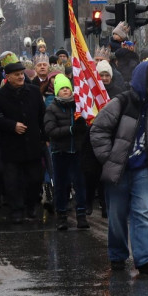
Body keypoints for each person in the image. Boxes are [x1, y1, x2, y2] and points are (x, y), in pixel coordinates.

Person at [90, 61, 148, 275]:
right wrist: (109, 158)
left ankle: (146, 259)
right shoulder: (121, 102)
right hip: (119, 171)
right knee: (116, 215)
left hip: (143, 170)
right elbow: (98, 130)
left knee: (143, 212)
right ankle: (117, 255)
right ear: (141, 77)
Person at [0, 53, 47, 223]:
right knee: (13, 181)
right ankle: (16, 210)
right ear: (8, 77)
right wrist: (11, 125)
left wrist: (44, 135)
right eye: (17, 75)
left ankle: (31, 206)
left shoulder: (34, 92)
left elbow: (42, 116)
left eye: (22, 74)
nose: (21, 77)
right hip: (11, 146)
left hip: (33, 144)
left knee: (35, 179)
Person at [43, 74, 89, 231]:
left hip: (76, 151)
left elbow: (86, 126)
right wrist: (70, 130)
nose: (65, 91)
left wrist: (83, 128)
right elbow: (50, 130)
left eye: (67, 88)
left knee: (80, 184)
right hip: (60, 152)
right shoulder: (52, 109)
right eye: (62, 88)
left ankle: (81, 215)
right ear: (56, 91)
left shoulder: (78, 106)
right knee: (62, 186)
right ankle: (61, 216)